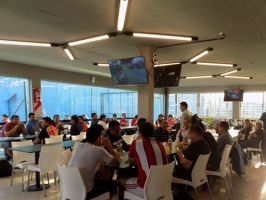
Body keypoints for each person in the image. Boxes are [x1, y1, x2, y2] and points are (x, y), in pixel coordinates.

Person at [68, 125, 119, 199]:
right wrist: (109, 145)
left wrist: (100, 162)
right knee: (110, 184)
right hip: (85, 192)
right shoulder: (99, 150)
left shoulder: (78, 145)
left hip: (70, 188)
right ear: (98, 138)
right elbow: (116, 162)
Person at [124, 122, 167, 198]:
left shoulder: (136, 143)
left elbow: (129, 158)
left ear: (140, 132)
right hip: (163, 186)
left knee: (120, 181)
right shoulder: (159, 144)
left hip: (146, 188)